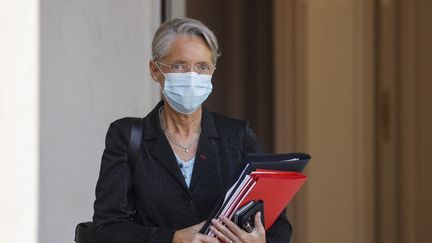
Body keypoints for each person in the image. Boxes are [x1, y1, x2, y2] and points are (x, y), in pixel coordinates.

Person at [93, 18, 292, 243]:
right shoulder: (127, 136)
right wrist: (174, 238)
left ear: (212, 72)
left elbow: (278, 226)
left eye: (202, 67)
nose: (192, 76)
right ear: (155, 70)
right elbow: (106, 229)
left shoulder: (237, 136)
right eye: (179, 65)